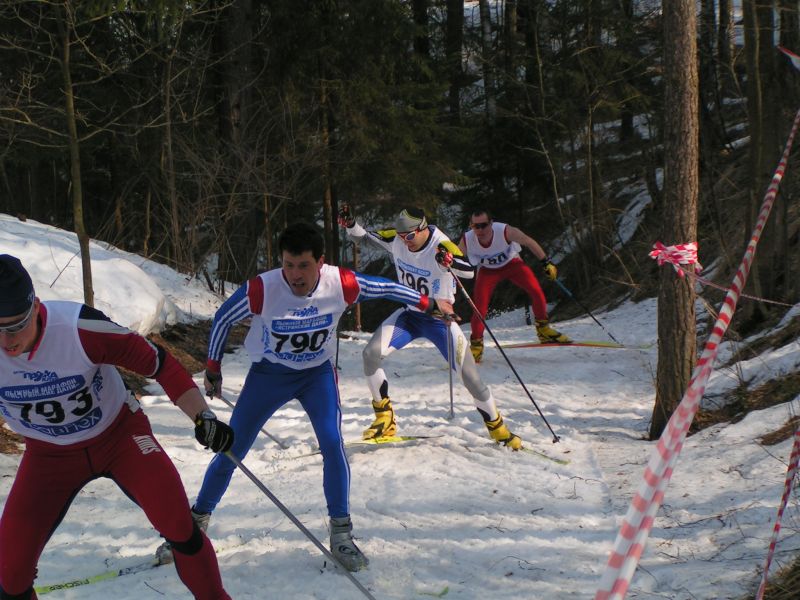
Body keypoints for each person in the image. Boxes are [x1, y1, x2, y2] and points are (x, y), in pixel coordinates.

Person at [168, 222, 437, 573]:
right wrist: (213, 368)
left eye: (303, 266)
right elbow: (221, 320)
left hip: (316, 376)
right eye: (288, 265)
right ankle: (195, 524)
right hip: (270, 376)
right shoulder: (262, 289)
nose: (295, 275)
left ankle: (341, 533)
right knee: (232, 449)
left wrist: (426, 302)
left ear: (320, 262)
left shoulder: (340, 283)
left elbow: (384, 287)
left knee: (332, 444)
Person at [0, 254, 234, 600]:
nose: (7, 341)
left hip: (119, 437)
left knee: (177, 524)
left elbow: (160, 364)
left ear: (35, 307)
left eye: (16, 326)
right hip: (49, 457)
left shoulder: (78, 329)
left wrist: (203, 417)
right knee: (9, 573)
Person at [338, 205, 523, 451]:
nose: (406, 242)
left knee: (471, 378)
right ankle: (385, 418)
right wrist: (351, 224)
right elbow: (366, 238)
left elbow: (468, 271)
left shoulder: (441, 244)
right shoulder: (399, 239)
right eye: (402, 237)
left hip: (440, 320)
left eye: (410, 236)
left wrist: (449, 262)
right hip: (410, 315)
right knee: (370, 354)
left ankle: (498, 429)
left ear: (423, 229)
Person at [458, 209, 571, 363]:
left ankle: (544, 330)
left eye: (483, 225)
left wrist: (546, 262)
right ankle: (476, 346)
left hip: (512, 264)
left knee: (536, 291)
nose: (479, 230)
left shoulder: (504, 231)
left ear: (491, 223)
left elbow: (529, 241)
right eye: (475, 226)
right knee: (479, 308)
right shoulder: (468, 239)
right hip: (488, 271)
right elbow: (455, 257)